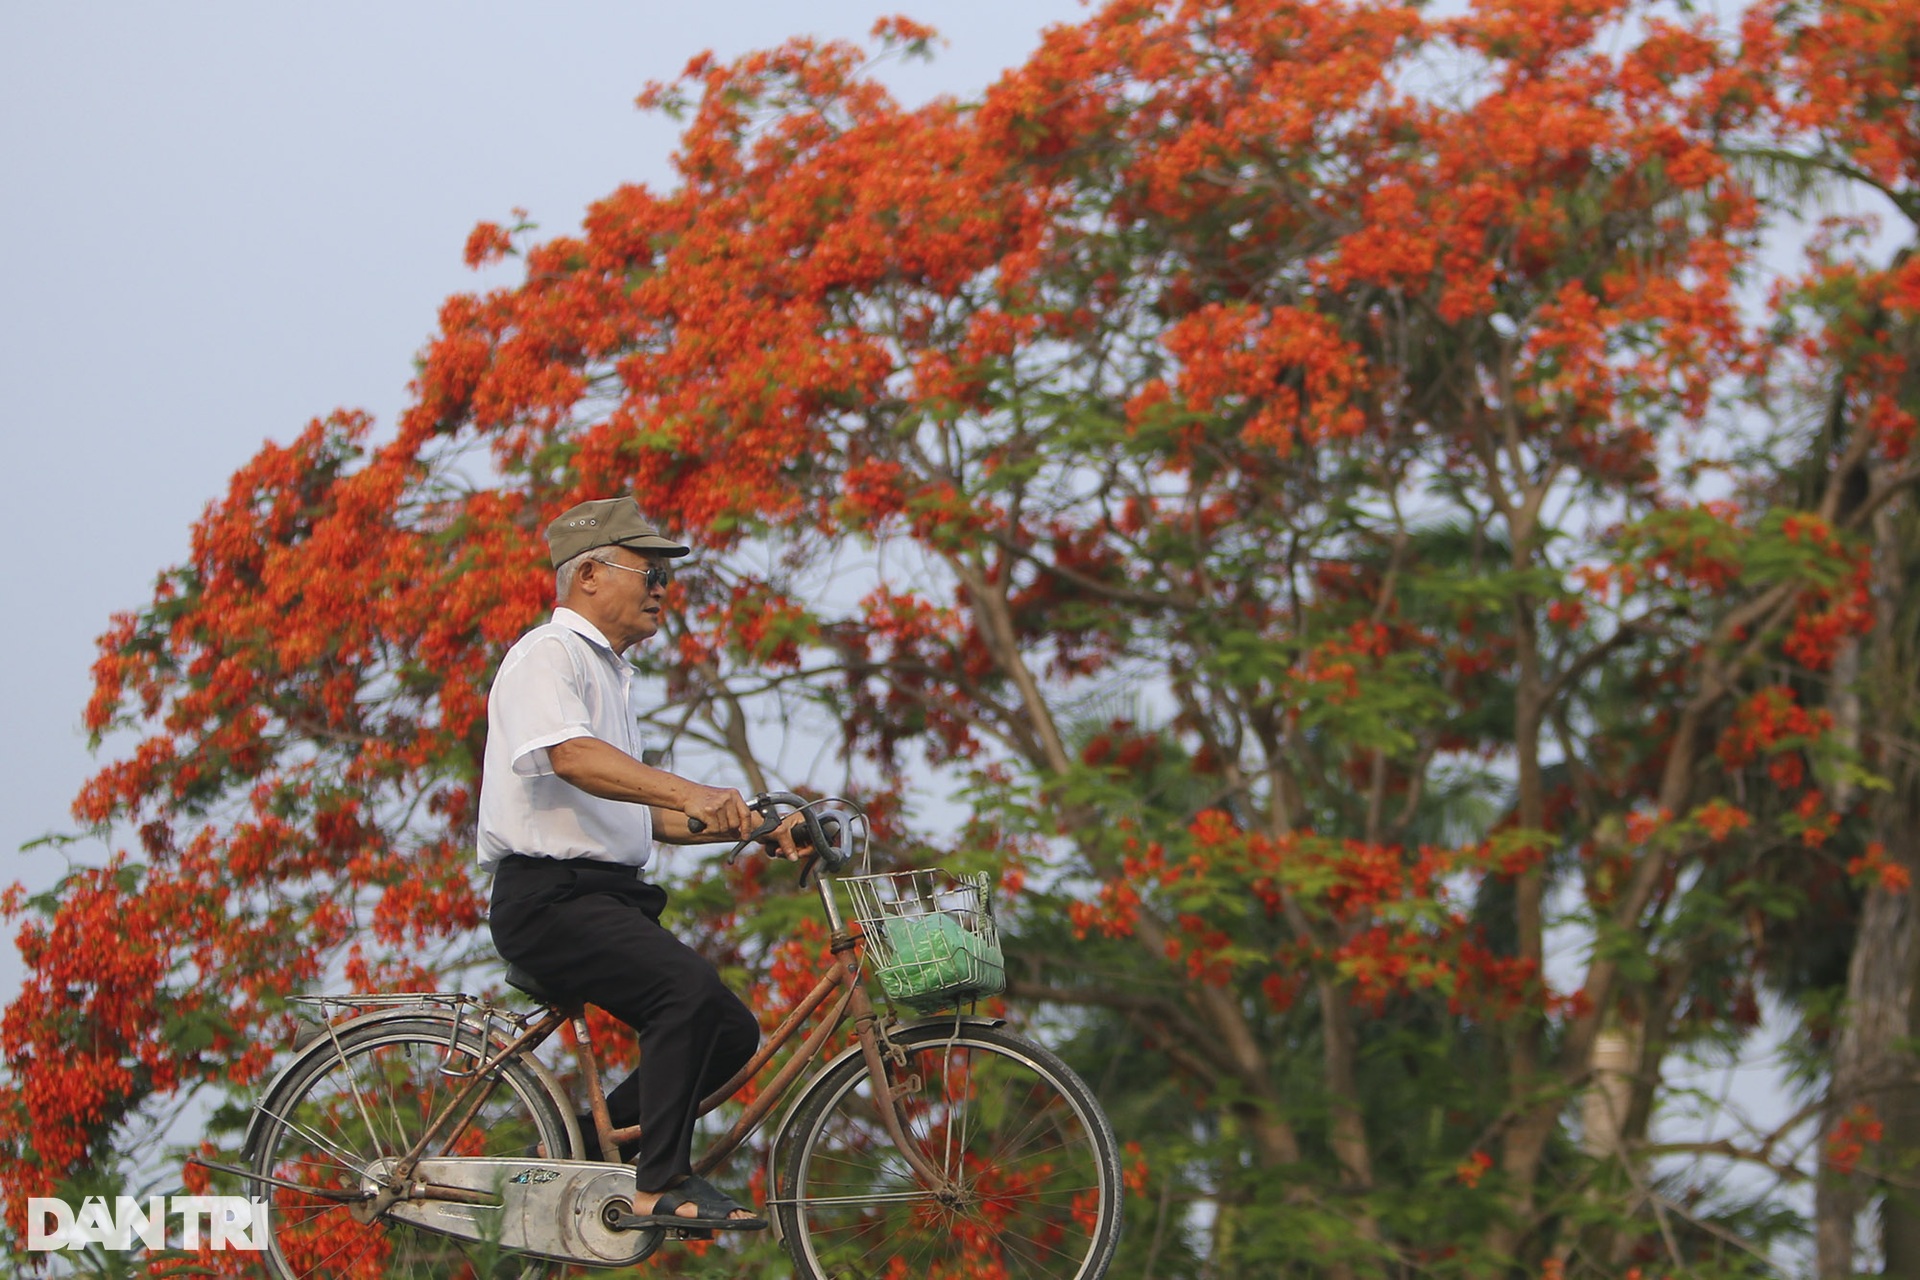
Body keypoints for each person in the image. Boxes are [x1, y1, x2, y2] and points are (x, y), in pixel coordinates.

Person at [478, 495, 803, 1231]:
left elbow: (639, 809)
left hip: (606, 898)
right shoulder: (546, 655)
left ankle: (585, 1150)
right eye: (650, 571)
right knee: (683, 992)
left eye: (666, 576)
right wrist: (693, 789)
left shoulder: (610, 675)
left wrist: (752, 824)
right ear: (589, 574)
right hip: (550, 899)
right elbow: (572, 757)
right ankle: (662, 1183)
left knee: (727, 1030)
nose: (663, 589)